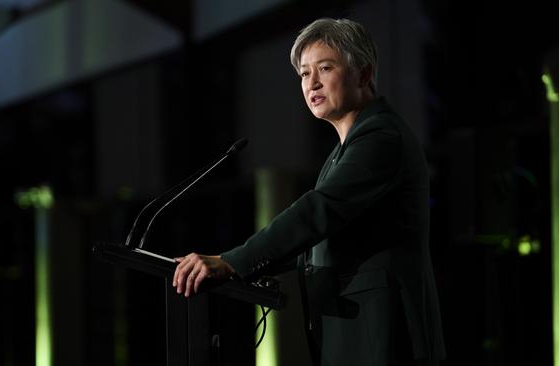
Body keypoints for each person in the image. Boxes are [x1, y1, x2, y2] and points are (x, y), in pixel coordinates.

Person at [172, 17, 446, 366]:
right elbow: (322, 235)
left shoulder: (381, 138)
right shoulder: (344, 149)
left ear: (364, 73)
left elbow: (319, 212)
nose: (311, 83)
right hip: (356, 332)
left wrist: (233, 262)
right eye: (304, 73)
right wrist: (244, 266)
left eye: (325, 68)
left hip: (384, 334)